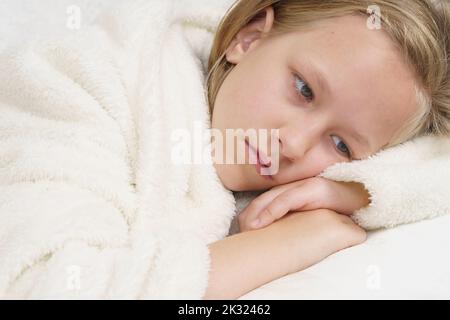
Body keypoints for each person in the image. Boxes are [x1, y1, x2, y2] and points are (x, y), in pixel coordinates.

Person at [203, 0, 450, 299]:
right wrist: (287, 243)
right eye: (304, 89)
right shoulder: (144, 92)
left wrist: (357, 192)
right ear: (250, 37)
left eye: (340, 144)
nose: (294, 144)